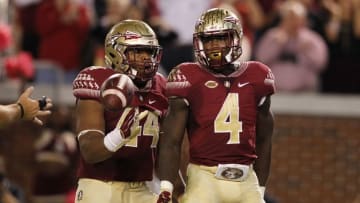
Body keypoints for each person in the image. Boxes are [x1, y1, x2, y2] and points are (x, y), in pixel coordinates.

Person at [157, 8, 275, 203]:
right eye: (208, 40)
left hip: (246, 179)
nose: (213, 46)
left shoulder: (258, 76)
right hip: (205, 177)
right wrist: (166, 188)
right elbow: (170, 141)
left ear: (234, 39)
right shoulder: (188, 76)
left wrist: (260, 187)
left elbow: (264, 139)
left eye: (220, 38)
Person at [72, 19, 168, 203]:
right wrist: (119, 136)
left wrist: (171, 188)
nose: (145, 58)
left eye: (149, 51)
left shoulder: (160, 87)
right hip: (100, 186)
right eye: (137, 51)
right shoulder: (97, 81)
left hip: (143, 188)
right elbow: (89, 151)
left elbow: (168, 149)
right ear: (115, 53)